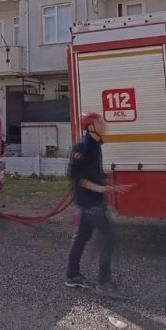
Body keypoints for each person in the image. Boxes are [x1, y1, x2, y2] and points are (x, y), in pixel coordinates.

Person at [64, 112, 132, 298]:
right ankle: (104, 282)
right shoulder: (84, 146)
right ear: (90, 126)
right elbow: (73, 173)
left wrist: (107, 185)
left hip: (92, 200)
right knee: (110, 237)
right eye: (99, 121)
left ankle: (72, 276)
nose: (103, 123)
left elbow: (91, 172)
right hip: (89, 202)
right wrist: (100, 189)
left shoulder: (95, 145)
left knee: (81, 237)